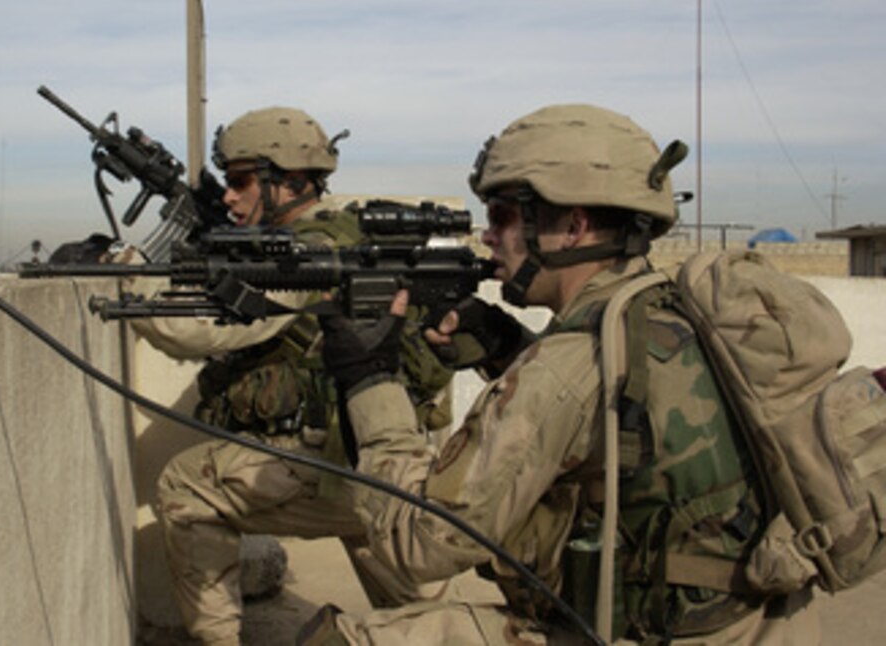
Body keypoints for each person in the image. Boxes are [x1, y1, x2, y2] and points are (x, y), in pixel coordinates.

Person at [302, 104, 820, 644]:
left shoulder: (567, 366)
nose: (487, 237)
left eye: (502, 215)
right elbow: (611, 422)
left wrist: (370, 379)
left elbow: (418, 546)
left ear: (572, 228)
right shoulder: (666, 311)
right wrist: (506, 347)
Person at [126, 106, 455, 645]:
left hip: (328, 464)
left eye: (240, 182)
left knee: (186, 486)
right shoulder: (339, 234)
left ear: (292, 181)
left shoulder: (307, 252)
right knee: (403, 581)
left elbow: (202, 329)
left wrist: (133, 272)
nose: (229, 196)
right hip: (373, 457)